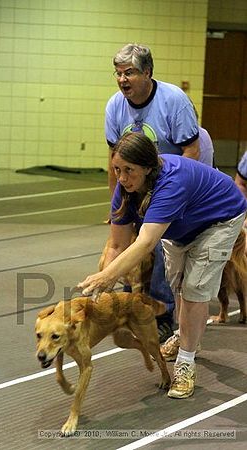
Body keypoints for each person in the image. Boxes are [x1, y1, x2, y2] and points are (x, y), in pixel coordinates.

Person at [78, 133, 247, 399]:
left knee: (194, 289)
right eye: (116, 170)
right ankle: (185, 334)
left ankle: (186, 363)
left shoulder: (170, 184)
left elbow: (144, 243)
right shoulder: (125, 190)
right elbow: (116, 245)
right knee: (178, 285)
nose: (121, 178)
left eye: (129, 171)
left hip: (219, 219)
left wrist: (107, 277)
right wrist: (103, 281)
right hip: (180, 226)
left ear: (147, 167)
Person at [105, 43, 201, 342]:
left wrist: (172, 197)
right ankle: (128, 305)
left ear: (147, 72)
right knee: (124, 243)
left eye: (130, 73)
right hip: (135, 181)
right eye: (118, 73)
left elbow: (192, 151)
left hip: (173, 180)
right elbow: (114, 160)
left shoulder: (174, 100)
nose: (122, 79)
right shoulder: (114, 106)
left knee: (158, 245)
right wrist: (116, 209)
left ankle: (162, 314)